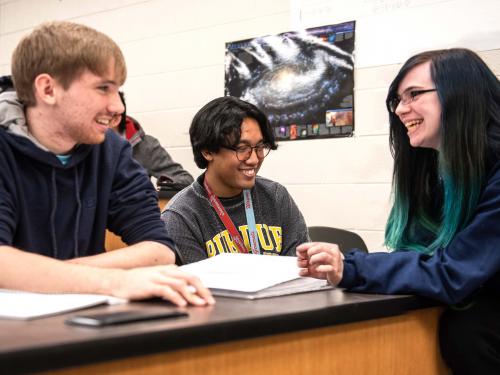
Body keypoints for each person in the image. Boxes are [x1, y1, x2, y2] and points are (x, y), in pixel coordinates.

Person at [296, 48, 500, 374]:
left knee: (465, 331)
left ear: (461, 93)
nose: (402, 110)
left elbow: (454, 273)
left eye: (414, 94)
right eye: (398, 100)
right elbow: (422, 253)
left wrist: (349, 267)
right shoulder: (437, 170)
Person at [0, 21, 214, 307]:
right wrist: (112, 280)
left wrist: (61, 276)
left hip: (80, 319)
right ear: (48, 89)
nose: (118, 107)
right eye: (103, 88)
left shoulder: (110, 150)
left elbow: (159, 249)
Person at [162, 96, 309, 264]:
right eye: (242, 148)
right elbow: (198, 287)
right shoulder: (181, 217)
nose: (254, 159)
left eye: (260, 147)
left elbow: (300, 271)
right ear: (207, 151)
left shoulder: (275, 196)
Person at [110, 92, 194, 189]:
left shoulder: (145, 146)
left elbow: (185, 179)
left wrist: (165, 183)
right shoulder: (90, 144)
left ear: (115, 118)